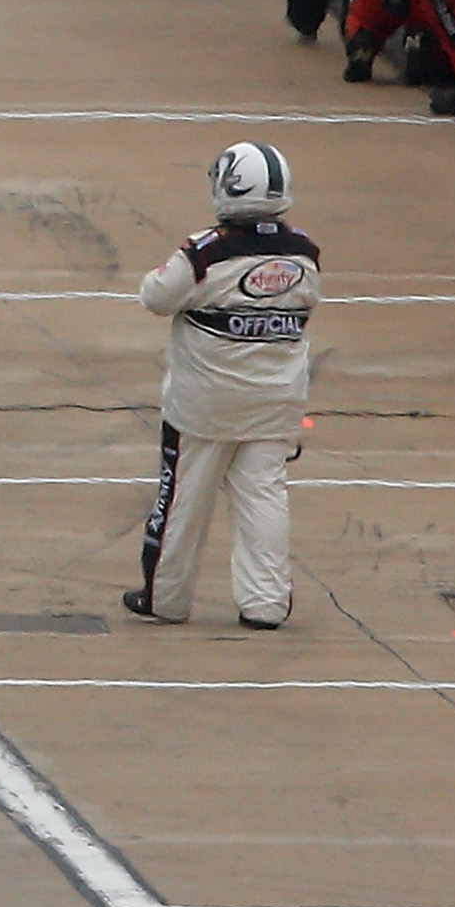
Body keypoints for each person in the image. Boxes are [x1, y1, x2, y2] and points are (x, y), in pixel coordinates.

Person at [127, 141, 322, 629]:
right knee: (264, 497)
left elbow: (155, 296)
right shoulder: (305, 253)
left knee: (183, 501)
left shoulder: (205, 254)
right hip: (277, 400)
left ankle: (166, 599)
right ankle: (265, 603)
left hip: (204, 405)